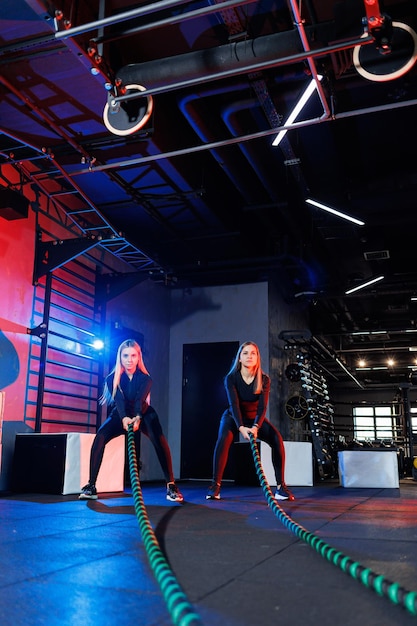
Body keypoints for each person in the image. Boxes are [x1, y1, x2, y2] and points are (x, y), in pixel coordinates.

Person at [79, 339, 183, 503]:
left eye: (133, 355)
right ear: (120, 357)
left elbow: (139, 401)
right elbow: (119, 401)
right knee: (100, 437)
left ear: (138, 357)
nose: (129, 359)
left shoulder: (146, 379)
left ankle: (171, 486)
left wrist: (137, 418)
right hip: (120, 413)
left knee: (160, 441)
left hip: (143, 412)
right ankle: (91, 485)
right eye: (125, 355)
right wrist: (124, 418)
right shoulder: (112, 378)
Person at [206, 341, 294, 501]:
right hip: (234, 417)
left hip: (254, 418)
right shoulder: (231, 378)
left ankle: (281, 487)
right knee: (223, 440)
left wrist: (255, 427)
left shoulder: (264, 379)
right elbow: (234, 405)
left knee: (276, 439)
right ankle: (215, 486)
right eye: (245, 353)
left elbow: (262, 408)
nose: (249, 356)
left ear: (257, 358)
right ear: (239, 358)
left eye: (253, 353)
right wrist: (240, 427)